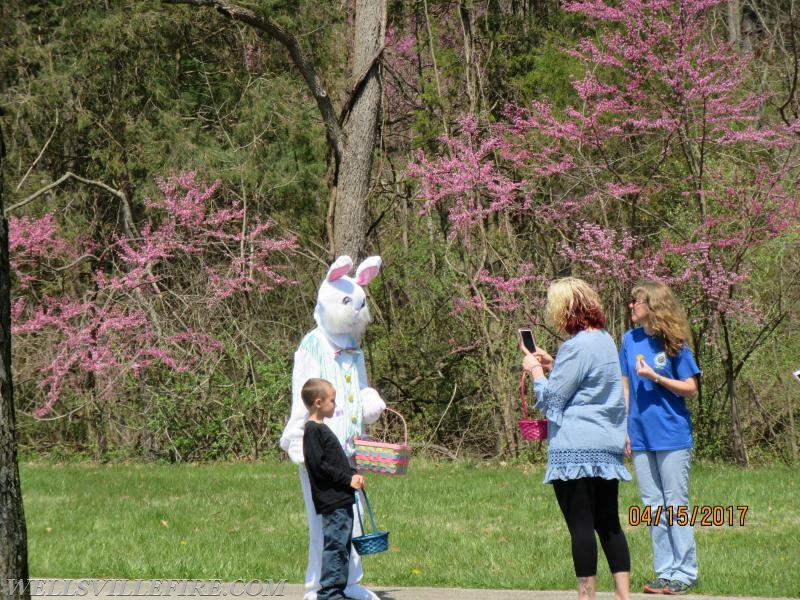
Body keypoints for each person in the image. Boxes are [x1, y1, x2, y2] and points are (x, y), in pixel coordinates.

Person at [279, 255, 385, 600]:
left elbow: (361, 387)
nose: (355, 311)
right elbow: (304, 395)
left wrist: (369, 404)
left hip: (351, 445)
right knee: (324, 521)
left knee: (351, 519)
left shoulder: (354, 348)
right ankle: (319, 585)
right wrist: (299, 440)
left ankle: (349, 580)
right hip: (321, 448)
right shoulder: (313, 345)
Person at [521, 277, 631, 600]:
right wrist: (553, 364)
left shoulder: (574, 346)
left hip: (575, 449)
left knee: (581, 526)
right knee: (609, 523)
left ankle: (587, 596)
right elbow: (588, 383)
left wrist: (535, 371)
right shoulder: (606, 341)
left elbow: (553, 401)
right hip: (606, 445)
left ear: (566, 311)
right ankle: (624, 595)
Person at [619, 281, 701, 596]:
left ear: (653, 305)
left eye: (636, 301)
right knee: (653, 506)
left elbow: (691, 389)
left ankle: (685, 572)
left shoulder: (675, 343)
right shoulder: (629, 339)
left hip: (672, 434)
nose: (631, 306)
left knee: (675, 504)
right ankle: (665, 572)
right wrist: (624, 427)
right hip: (640, 435)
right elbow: (625, 386)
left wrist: (655, 377)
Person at [302, 378, 366, 600]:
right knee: (336, 547)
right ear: (318, 402)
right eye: (332, 400)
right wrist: (346, 480)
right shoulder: (312, 431)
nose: (335, 404)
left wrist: (352, 474)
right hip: (332, 499)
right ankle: (329, 594)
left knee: (342, 546)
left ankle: (336, 591)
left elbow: (334, 462)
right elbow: (319, 466)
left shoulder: (321, 429)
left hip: (341, 498)